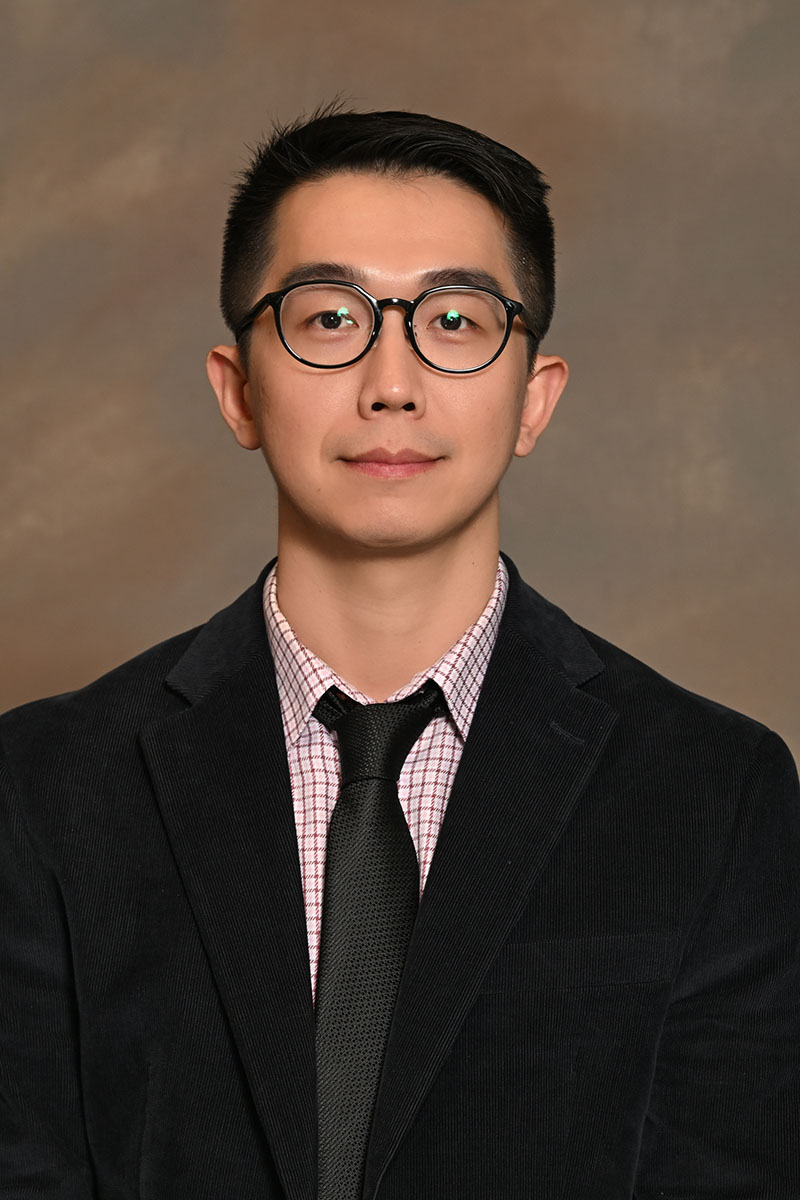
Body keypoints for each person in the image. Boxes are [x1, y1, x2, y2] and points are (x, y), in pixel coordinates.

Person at [1, 107, 798, 1200]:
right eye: (329, 319)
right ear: (238, 389)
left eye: (455, 321)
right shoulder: (46, 788)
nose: (391, 382)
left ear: (534, 398)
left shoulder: (715, 791)